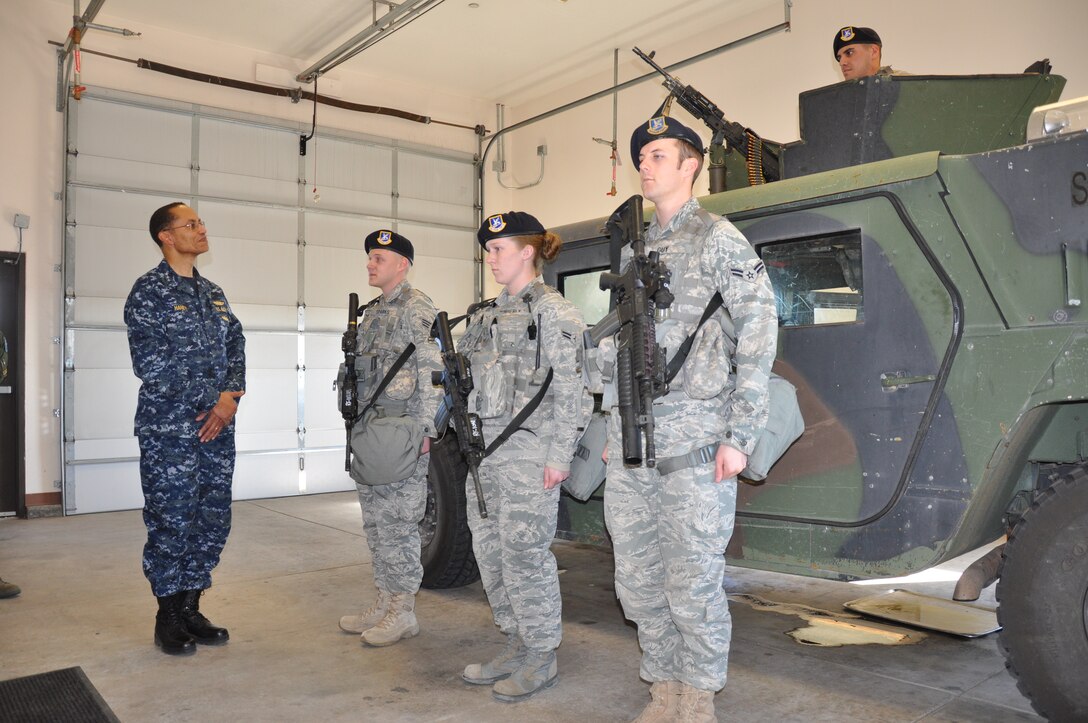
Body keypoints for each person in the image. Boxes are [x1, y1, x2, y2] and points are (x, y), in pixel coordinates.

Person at [601, 110, 778, 721]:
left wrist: (741, 434)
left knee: (693, 582)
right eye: (642, 157)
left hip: (698, 443)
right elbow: (616, 343)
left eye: (658, 156)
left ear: (691, 165)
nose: (646, 166)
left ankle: (697, 695)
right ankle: (663, 685)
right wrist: (608, 421)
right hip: (633, 445)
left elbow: (759, 329)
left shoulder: (717, 238)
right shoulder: (634, 247)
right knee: (638, 578)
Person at [457, 211, 587, 702]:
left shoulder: (556, 314)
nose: (490, 258)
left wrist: (560, 456)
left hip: (530, 454)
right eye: (488, 250)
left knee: (526, 558)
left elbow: (573, 390)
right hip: (483, 455)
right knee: (491, 556)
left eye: (499, 249)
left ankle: (541, 656)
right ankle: (515, 643)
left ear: (527, 251)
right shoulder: (485, 314)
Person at [124, 202, 246, 656]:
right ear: (166, 236)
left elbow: (237, 343)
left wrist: (230, 398)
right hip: (169, 431)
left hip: (217, 428)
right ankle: (168, 616)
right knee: (171, 520)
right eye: (190, 224)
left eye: (200, 223)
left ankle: (192, 606)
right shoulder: (148, 292)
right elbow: (151, 364)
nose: (201, 229)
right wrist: (211, 400)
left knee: (212, 518)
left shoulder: (213, 292)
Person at [337, 229, 442, 647]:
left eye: (379, 257)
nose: (370, 263)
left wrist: (426, 429)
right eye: (369, 257)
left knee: (400, 523)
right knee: (376, 522)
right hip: (369, 428)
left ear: (402, 264)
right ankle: (383, 601)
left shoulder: (417, 308)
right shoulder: (372, 312)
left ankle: (403, 611)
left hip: (401, 430)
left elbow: (433, 373)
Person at [834, 26, 906, 80]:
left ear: (874, 52)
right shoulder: (836, 97)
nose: (841, 63)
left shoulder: (909, 86)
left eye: (849, 53)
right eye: (839, 58)